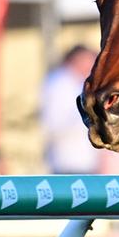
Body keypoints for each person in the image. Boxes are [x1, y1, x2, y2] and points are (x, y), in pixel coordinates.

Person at [42, 45, 100, 176]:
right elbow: (53, 125)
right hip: (67, 163)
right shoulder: (59, 83)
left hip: (85, 163)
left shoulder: (77, 83)